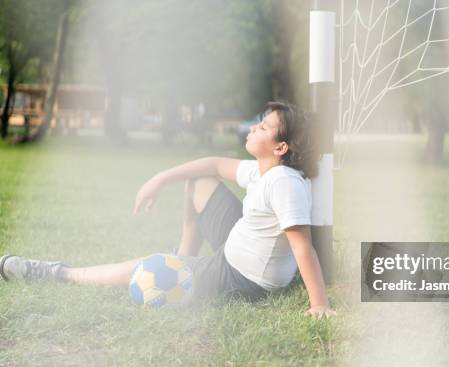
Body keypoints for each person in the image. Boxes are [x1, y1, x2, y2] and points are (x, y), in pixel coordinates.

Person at [0, 101, 336, 320]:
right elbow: (214, 164)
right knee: (199, 180)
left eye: (263, 128)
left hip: (241, 276)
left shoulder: (283, 183)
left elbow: (301, 246)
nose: (253, 128)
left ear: (280, 147)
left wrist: (318, 304)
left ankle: (58, 272)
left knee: (146, 267)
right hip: (238, 242)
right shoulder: (265, 170)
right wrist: (160, 178)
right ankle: (182, 257)